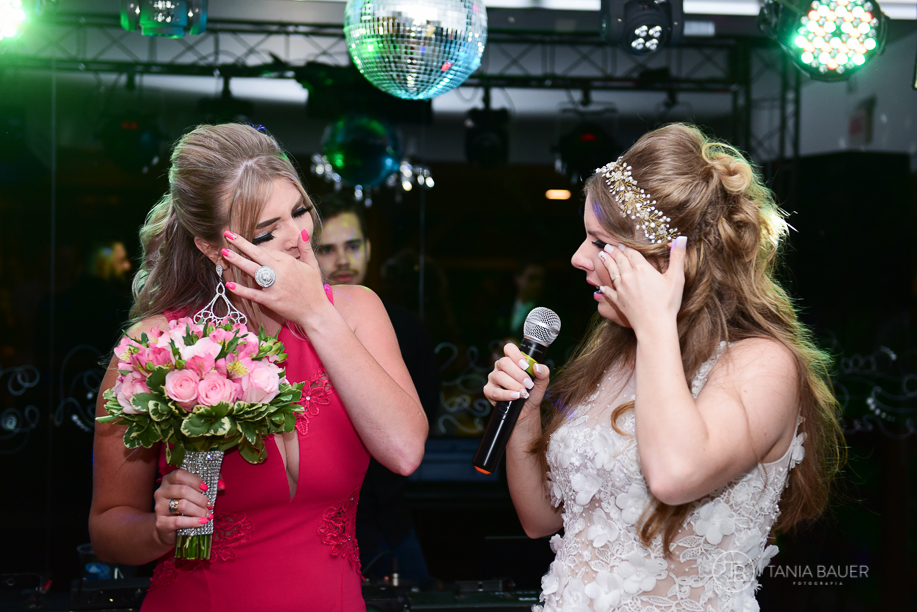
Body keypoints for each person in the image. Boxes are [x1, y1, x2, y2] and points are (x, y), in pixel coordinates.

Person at [484, 123, 844, 611]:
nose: (577, 258)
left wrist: (655, 324)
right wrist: (526, 414)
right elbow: (540, 520)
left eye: (600, 242)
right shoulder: (613, 353)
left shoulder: (762, 364)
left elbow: (675, 476)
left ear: (672, 259)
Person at [89, 124, 428, 611]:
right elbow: (108, 525)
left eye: (300, 212)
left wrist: (315, 314)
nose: (297, 238)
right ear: (211, 248)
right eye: (267, 232)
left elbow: (403, 451)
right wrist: (158, 529)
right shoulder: (157, 345)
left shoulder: (355, 313)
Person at [315, 193, 437, 585]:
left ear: (369, 248)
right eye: (328, 249)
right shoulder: (292, 330)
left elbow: (420, 423)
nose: (343, 260)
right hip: (315, 516)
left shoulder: (407, 329)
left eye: (352, 246)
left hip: (388, 515)